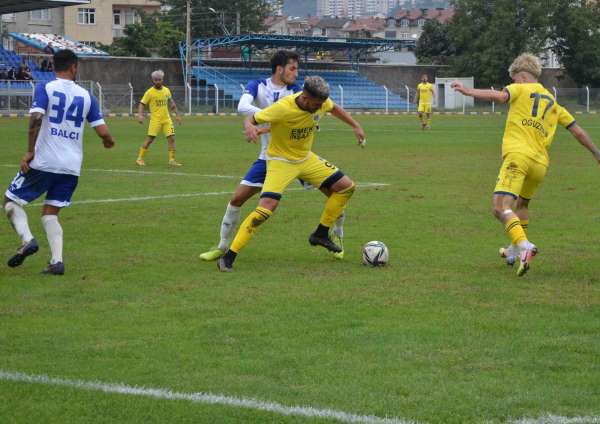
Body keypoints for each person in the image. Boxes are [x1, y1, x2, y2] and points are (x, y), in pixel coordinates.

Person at [451, 53, 600, 276]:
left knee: (500, 207)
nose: (511, 84)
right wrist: (597, 154)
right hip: (540, 165)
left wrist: (468, 91)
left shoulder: (520, 89)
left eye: (512, 80)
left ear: (520, 77)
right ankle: (513, 249)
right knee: (521, 206)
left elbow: (500, 97)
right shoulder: (553, 102)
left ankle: (525, 246)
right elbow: (577, 131)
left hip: (518, 157)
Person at [199, 51, 348, 262]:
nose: (296, 73)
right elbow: (243, 107)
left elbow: (293, 117)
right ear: (280, 68)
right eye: (292, 68)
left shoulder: (298, 93)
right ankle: (222, 247)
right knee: (237, 199)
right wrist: (253, 122)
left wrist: (262, 123)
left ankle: (337, 237)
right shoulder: (258, 85)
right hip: (269, 157)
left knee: (336, 193)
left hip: (298, 156)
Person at [217, 76, 366, 272]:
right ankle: (228, 257)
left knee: (346, 187)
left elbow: (333, 107)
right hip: (280, 162)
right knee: (266, 209)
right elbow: (251, 118)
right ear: (305, 97)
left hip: (306, 158)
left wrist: (355, 126)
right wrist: (251, 128)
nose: (321, 107)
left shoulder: (320, 103)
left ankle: (320, 234)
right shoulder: (283, 107)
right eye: (317, 103)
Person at [3, 49, 115, 275]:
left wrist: (29, 152)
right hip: (71, 167)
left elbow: (36, 117)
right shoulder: (87, 96)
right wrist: (108, 141)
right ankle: (57, 262)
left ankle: (28, 240)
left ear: (55, 67)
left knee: (10, 201)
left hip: (45, 161)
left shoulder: (46, 88)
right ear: (74, 67)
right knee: (50, 212)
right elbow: (103, 131)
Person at [135, 70, 182, 166]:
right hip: (155, 120)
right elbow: (142, 104)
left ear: (162, 80)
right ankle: (139, 159)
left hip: (166, 119)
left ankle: (172, 160)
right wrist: (140, 115)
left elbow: (172, 103)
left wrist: (177, 115)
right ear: (153, 80)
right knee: (150, 140)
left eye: (159, 80)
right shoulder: (149, 92)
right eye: (156, 80)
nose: (158, 82)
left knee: (172, 138)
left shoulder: (166, 90)